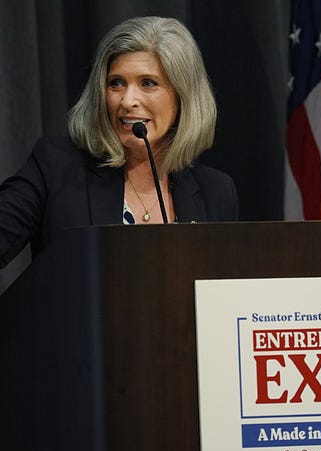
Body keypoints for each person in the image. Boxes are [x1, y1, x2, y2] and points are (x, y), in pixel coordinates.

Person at [0, 16, 239, 269]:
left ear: (183, 97)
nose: (127, 100)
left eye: (148, 83)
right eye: (117, 83)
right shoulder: (56, 167)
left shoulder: (217, 192)